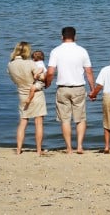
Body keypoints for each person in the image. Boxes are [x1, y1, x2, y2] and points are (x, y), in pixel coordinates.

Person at [45, 26, 95, 154]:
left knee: (65, 120)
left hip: (62, 88)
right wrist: (93, 90)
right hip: (78, 87)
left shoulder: (56, 51)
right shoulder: (82, 51)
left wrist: (47, 83)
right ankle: (79, 146)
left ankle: (68, 148)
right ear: (75, 37)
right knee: (80, 118)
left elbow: (50, 72)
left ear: (62, 37)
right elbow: (88, 72)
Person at [7, 41, 47, 155]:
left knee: (23, 122)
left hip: (21, 93)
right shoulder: (30, 63)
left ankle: (19, 149)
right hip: (36, 94)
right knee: (38, 123)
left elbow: (13, 79)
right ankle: (39, 150)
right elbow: (43, 78)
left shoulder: (10, 64)